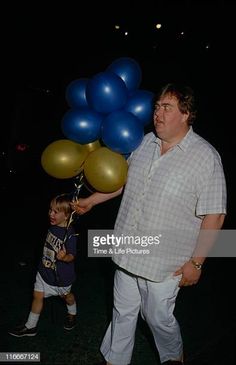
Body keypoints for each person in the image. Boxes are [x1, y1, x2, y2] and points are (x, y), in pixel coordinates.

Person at [72, 83, 227, 365]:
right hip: (128, 249)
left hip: (165, 262)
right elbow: (120, 182)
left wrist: (197, 262)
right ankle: (115, 360)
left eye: (166, 107)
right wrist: (91, 200)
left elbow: (215, 215)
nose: (157, 113)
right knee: (122, 313)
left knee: (158, 319)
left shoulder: (205, 157)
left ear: (186, 114)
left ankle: (173, 359)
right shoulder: (143, 143)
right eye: (156, 107)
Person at [9, 193, 78, 337]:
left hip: (62, 279)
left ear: (66, 216)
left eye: (56, 212)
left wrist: (65, 257)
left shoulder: (70, 235)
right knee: (37, 296)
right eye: (50, 210)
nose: (51, 214)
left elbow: (72, 256)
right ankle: (30, 327)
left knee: (68, 298)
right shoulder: (52, 227)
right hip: (44, 272)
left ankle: (72, 313)